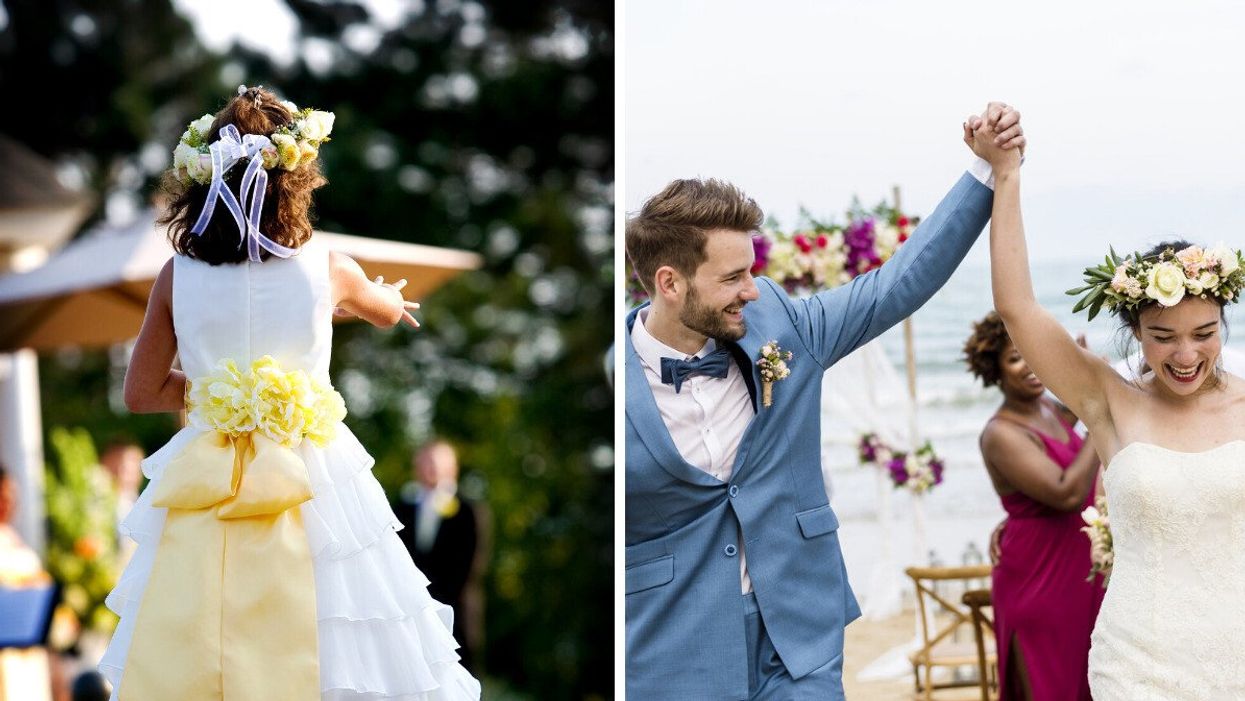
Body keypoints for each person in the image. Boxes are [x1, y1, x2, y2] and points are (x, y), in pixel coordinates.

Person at [623, 101, 1025, 700]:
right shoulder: (613, 382)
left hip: (800, 639)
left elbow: (897, 284)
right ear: (670, 283)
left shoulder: (783, 328)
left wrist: (986, 171)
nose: (752, 290)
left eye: (751, 271)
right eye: (732, 277)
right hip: (672, 657)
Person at [98, 86, 480, 700]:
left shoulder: (177, 276)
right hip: (315, 477)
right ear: (295, 180)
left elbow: (141, 394)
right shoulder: (329, 269)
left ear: (204, 180)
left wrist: (219, 397)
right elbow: (385, 311)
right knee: (340, 627)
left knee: (202, 640)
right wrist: (379, 297)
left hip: (208, 479)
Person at [968, 115, 1245, 698]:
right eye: (1163, 335)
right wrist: (1007, 173)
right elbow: (1016, 306)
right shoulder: (1108, 399)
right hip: (1139, 660)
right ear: (1135, 331)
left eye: (1205, 332)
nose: (1187, 354)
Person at [964, 311, 1104, 700]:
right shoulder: (1000, 433)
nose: (1029, 365)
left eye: (1032, 352)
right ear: (995, 371)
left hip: (1078, 569)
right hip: (1038, 578)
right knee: (1049, 684)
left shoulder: (1050, 410)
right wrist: (1097, 417)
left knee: (1088, 678)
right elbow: (1065, 492)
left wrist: (1083, 374)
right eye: (1014, 358)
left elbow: (1085, 407)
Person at [396, 440, 481, 671]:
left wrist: (436, 601)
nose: (430, 467)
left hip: (456, 611)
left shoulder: (468, 510)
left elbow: (470, 563)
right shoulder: (402, 508)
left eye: (436, 462)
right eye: (425, 461)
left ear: (452, 467)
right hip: (411, 612)